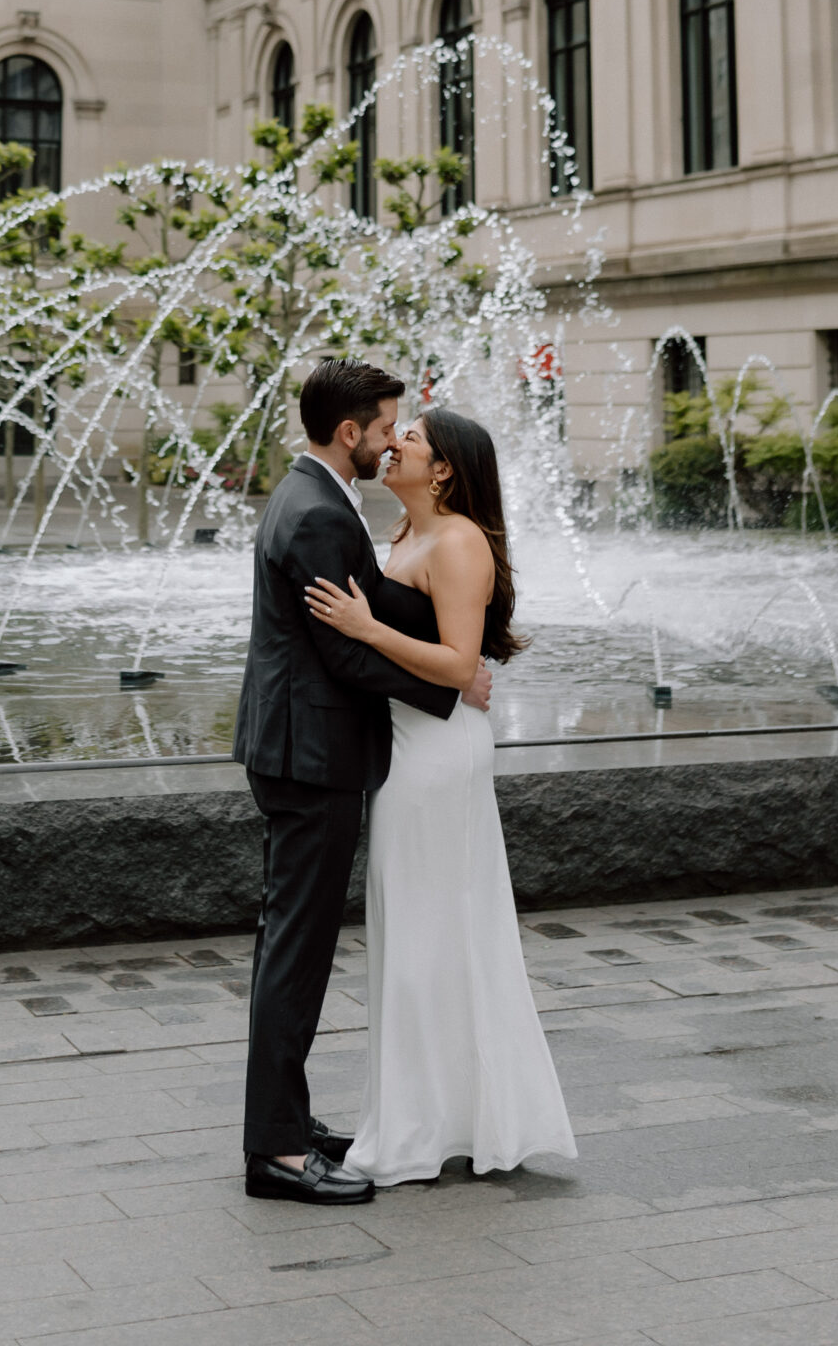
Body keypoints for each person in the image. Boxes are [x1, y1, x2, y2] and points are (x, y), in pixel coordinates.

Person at [234, 358, 493, 1206]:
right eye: (385, 426)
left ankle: (287, 1123)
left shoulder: (309, 497)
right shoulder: (317, 513)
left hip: (302, 751)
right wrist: (451, 686)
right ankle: (274, 1152)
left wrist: (459, 668)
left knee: (293, 947)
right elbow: (342, 648)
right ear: (348, 432)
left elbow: (376, 619)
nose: (391, 440)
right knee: (295, 954)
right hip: (311, 758)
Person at [306, 406, 577, 1185]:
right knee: (419, 935)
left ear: (446, 468)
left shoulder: (458, 542)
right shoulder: (399, 535)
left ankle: (421, 1131)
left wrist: (363, 626)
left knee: (431, 935)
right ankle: (436, 1114)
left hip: (435, 755)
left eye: (411, 439)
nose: (393, 445)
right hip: (401, 745)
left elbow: (460, 666)